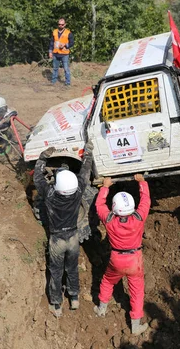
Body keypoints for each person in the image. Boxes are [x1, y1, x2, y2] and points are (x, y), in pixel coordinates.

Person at [33, 142, 93, 317]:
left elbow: (38, 177)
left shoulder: (50, 195)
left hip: (57, 240)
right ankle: (74, 298)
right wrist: (88, 152)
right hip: (73, 237)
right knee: (72, 268)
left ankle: (56, 304)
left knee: (56, 271)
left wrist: (43, 156)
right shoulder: (78, 191)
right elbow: (85, 171)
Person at [93, 174, 151, 335]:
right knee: (137, 290)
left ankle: (101, 309)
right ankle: (135, 325)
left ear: (114, 206)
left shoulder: (109, 219)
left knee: (107, 281)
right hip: (134, 260)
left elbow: (99, 204)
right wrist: (142, 183)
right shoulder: (139, 218)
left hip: (116, 258)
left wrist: (105, 187)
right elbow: (146, 201)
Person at [48, 18, 74, 86]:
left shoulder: (68, 33)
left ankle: (67, 83)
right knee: (55, 68)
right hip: (56, 53)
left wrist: (65, 45)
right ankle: (53, 81)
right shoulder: (54, 32)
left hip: (64, 54)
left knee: (66, 69)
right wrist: (50, 51)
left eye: (62, 24)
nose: (60, 26)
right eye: (59, 24)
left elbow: (72, 43)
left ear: (64, 25)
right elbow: (51, 42)